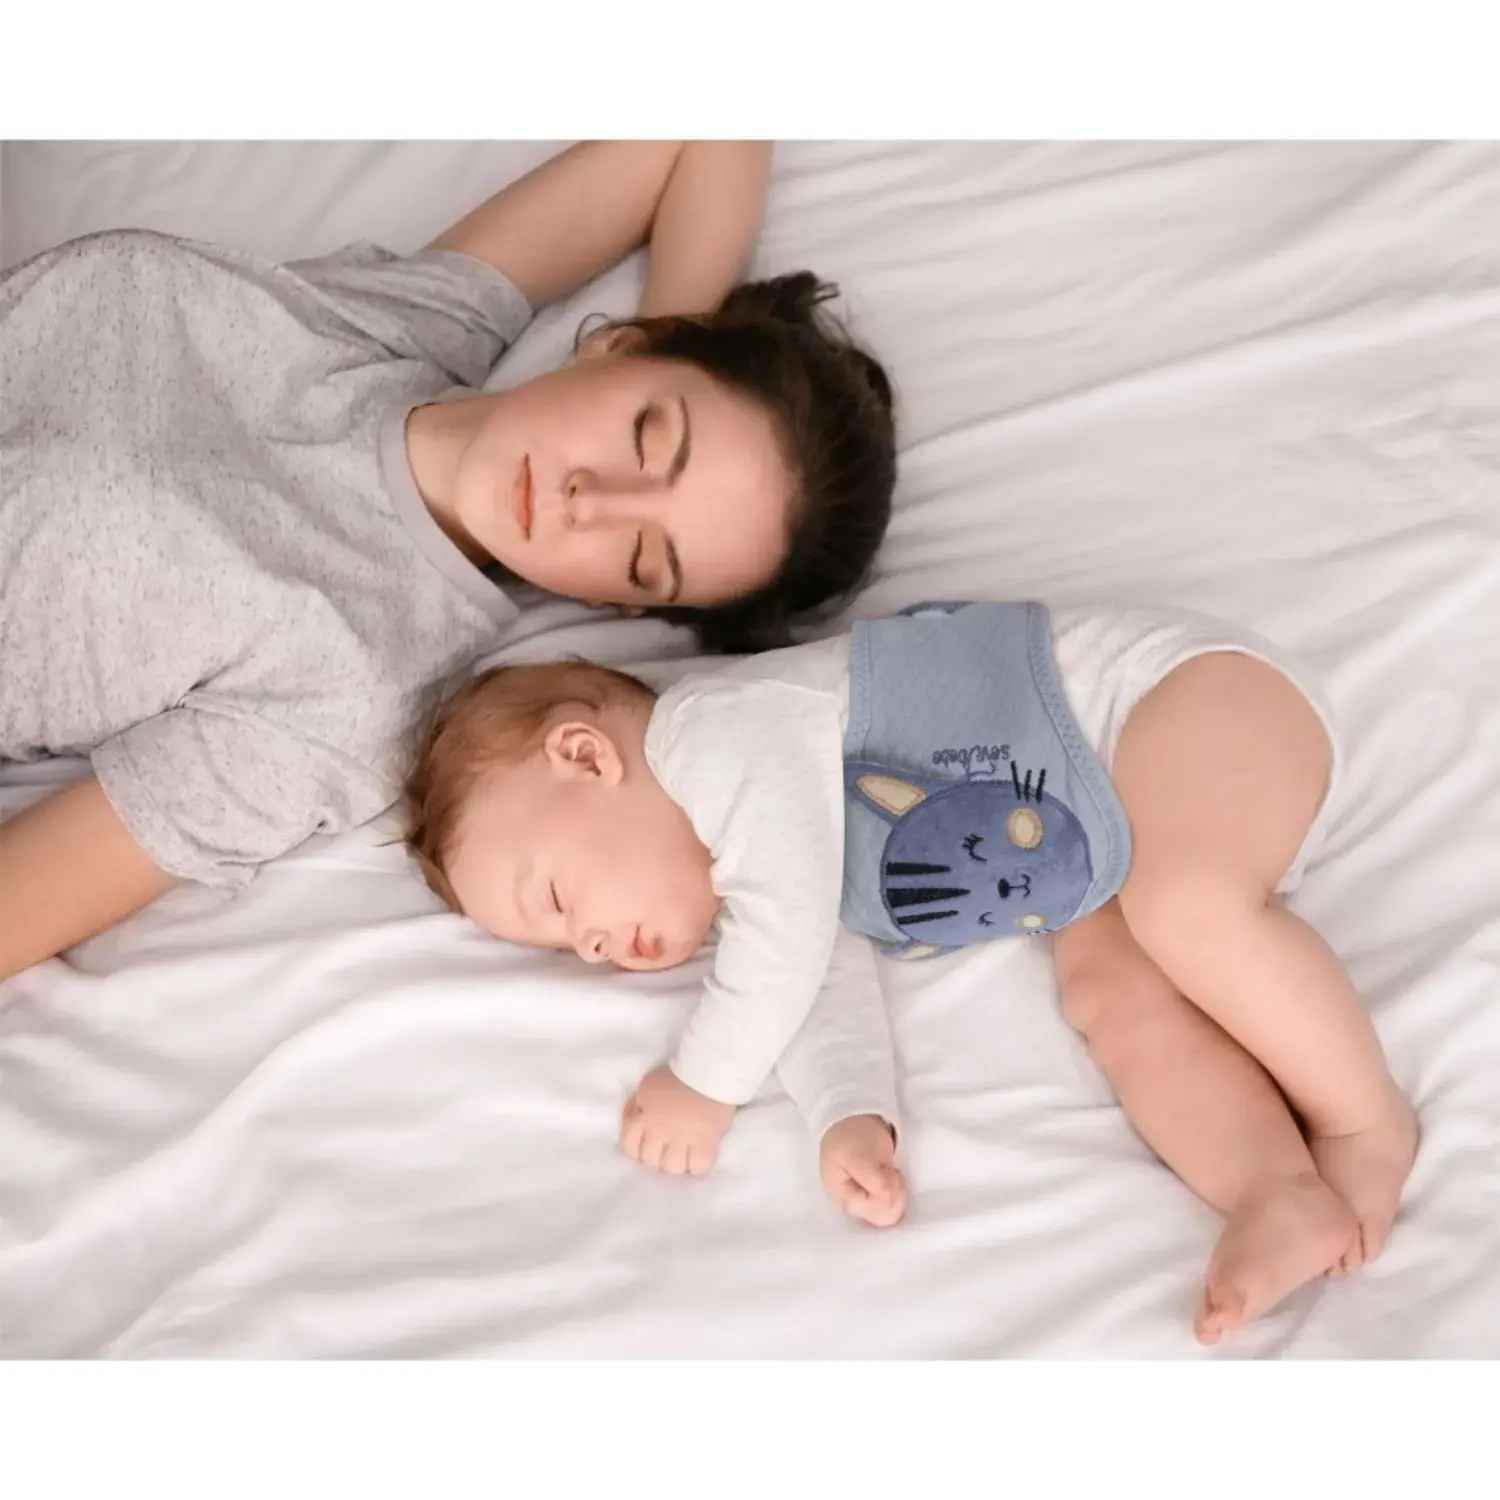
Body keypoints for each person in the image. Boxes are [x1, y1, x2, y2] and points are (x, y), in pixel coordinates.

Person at [401, 601, 1419, 1345]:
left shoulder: (712, 734)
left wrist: (704, 1083)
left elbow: (783, 943)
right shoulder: (755, 881)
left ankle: (1364, 1121)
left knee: (1185, 908)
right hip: (1101, 846)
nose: (588, 945)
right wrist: (850, 1114)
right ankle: (1276, 1190)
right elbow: (807, 969)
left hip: (1185, 701)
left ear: (586, 756)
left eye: (557, 898)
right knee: (1113, 994)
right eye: (564, 948)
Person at [0, 141, 897, 984]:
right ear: (620, 344)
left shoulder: (355, 687)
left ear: (624, 607)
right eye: (646, 433)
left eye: (640, 559)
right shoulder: (406, 323)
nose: (589, 500)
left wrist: (655, 385)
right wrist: (674, 332)